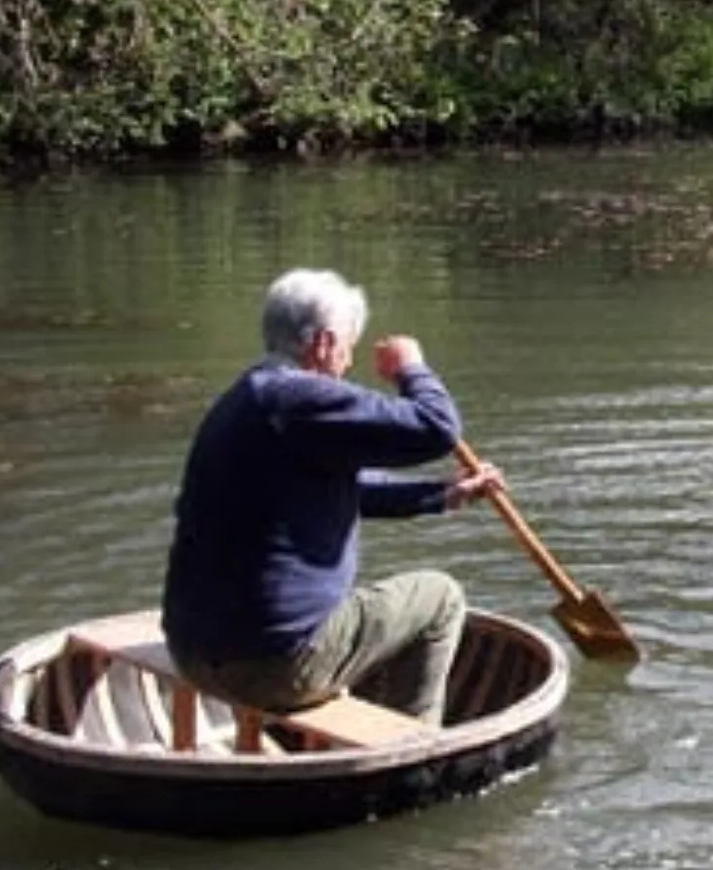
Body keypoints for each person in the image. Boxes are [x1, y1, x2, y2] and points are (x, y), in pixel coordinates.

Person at [161, 268, 504, 728]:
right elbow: (438, 428)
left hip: (193, 653)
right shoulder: (302, 397)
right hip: (273, 668)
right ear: (323, 344)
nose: (346, 364)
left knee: (366, 606)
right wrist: (411, 368)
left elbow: (347, 487)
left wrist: (444, 494)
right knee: (440, 598)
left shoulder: (248, 399)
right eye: (347, 348)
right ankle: (415, 746)